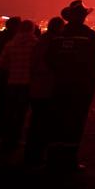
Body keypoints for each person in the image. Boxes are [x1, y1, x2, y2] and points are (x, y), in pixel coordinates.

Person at [46, 0, 95, 171]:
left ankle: (53, 158)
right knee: (75, 121)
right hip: (80, 86)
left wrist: (60, 74)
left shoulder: (58, 35)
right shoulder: (89, 35)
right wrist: (89, 84)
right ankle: (69, 160)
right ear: (83, 17)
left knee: (57, 120)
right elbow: (94, 63)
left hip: (59, 84)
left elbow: (49, 59)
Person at [25, 17, 62, 166]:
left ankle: (31, 151)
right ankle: (41, 153)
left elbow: (32, 63)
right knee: (47, 121)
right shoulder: (55, 43)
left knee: (36, 119)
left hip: (36, 87)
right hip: (48, 86)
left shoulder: (40, 42)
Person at [0, 20, 38, 150]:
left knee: (10, 111)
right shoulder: (36, 45)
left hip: (13, 82)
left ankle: (7, 139)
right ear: (32, 30)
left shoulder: (11, 44)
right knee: (23, 113)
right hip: (29, 83)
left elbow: (1, 63)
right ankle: (18, 139)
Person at [0, 17, 22, 140]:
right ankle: (3, 134)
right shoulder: (12, 40)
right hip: (10, 75)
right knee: (8, 106)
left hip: (0, 74)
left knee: (0, 105)